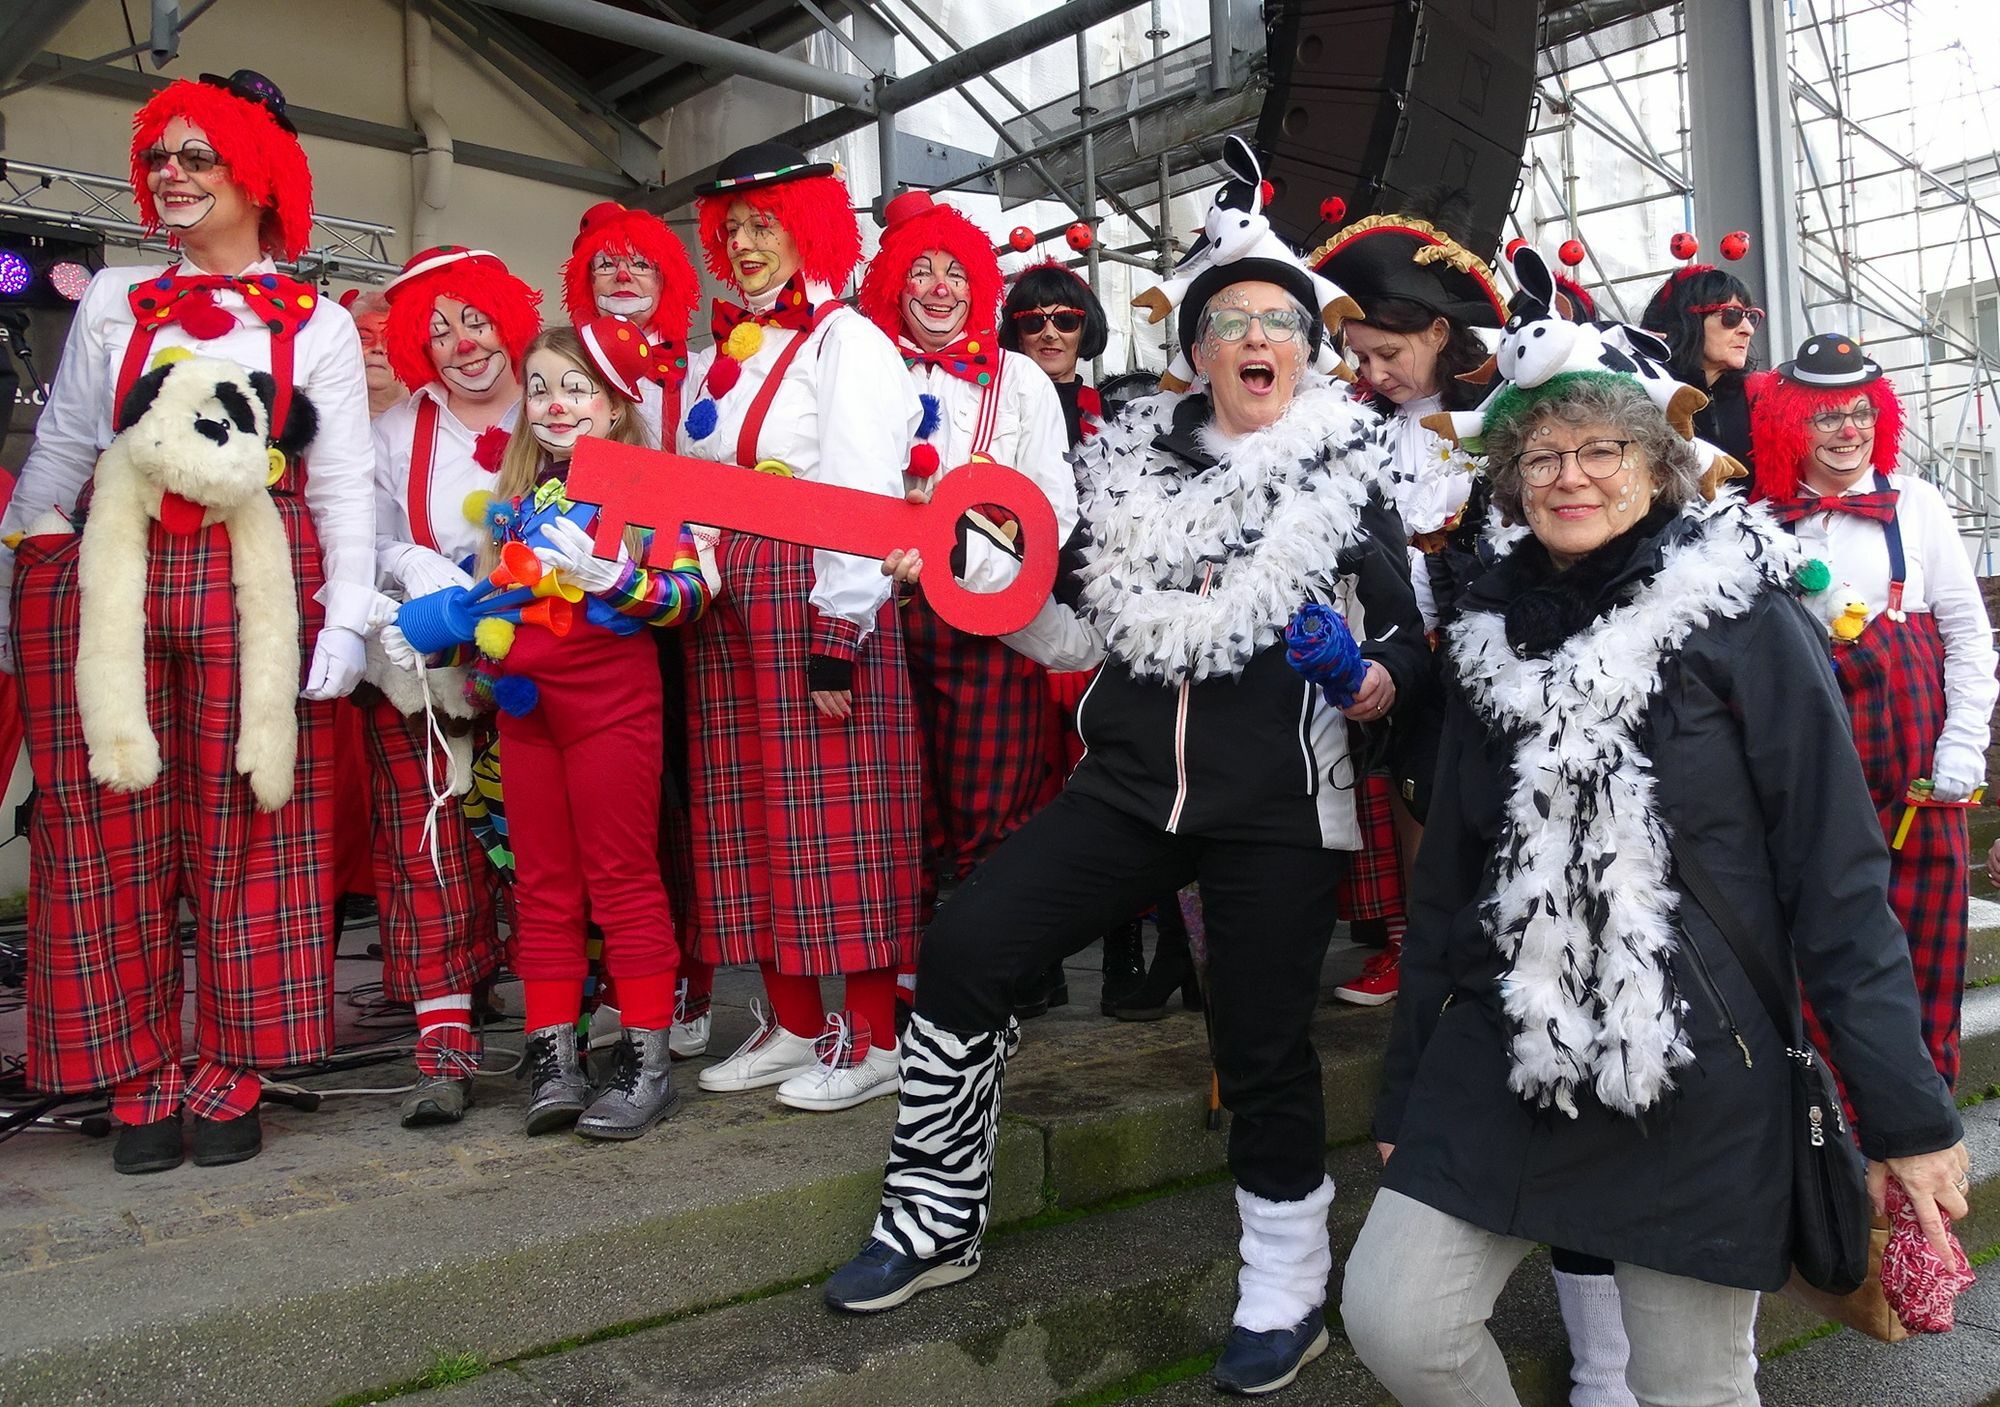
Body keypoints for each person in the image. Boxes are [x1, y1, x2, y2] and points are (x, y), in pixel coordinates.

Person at [825, 234, 1429, 1401]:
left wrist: (1366, 678)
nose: (1256, 337)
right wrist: (964, 578)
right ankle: (934, 1212)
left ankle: (1284, 1285)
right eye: (1229, 322)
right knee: (966, 945)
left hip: (1279, 805)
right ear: (1196, 352)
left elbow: (1405, 638)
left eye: (1279, 323)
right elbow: (1066, 630)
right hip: (1129, 788)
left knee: (1259, 1041)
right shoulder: (1125, 471)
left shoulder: (1349, 471)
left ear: (1308, 352)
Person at [1339, 363, 1971, 1406]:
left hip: (1697, 1063)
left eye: (1603, 448)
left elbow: (1836, 878)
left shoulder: (1742, 611)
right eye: (1541, 456)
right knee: (1397, 1320)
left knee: (1690, 1385)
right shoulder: (1486, 637)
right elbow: (1447, 883)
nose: (1570, 475)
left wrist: (1906, 1118)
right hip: (1505, 1047)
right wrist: (1406, 1083)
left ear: (1657, 467)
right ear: (1510, 483)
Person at [1, 71, 379, 1172]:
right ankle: (136, 1072)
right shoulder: (116, 298)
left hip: (255, 570)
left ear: (257, 177)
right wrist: (28, 552)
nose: (170, 174)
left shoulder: (318, 322)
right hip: (113, 561)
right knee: (101, 823)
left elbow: (343, 481)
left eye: (196, 157)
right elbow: (66, 440)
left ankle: (231, 1067)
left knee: (254, 820)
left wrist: (347, 616)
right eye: (158, 157)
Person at [410, 319, 709, 1139]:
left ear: (614, 404)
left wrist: (613, 576)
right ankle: (554, 1056)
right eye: (540, 387)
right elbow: (495, 612)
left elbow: (688, 596)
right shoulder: (516, 499)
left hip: (614, 704)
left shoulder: (649, 485)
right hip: (527, 712)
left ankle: (647, 1064)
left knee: (623, 879)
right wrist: (440, 629)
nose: (556, 402)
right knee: (541, 886)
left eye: (576, 386)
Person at [676, 142, 925, 1112]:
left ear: (808, 228)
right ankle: (787, 1023)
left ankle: (873, 1037)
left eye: (764, 224)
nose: (745, 243)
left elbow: (861, 492)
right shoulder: (714, 358)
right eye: (733, 228)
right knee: (744, 811)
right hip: (724, 595)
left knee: (837, 817)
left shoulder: (845, 340)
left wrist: (839, 631)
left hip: (811, 587)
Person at [1748, 333, 1996, 1091]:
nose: (1847, 430)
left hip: (1916, 752)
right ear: (1792, 425)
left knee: (1926, 951)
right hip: (1815, 751)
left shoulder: (1916, 502)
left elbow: (1967, 632)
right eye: (1826, 416)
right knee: (1822, 941)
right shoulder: (1759, 520)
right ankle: (1840, 1131)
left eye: (1860, 412)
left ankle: (1927, 1137)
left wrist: (1964, 746)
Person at [857, 193, 1076, 1019]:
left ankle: (1005, 972)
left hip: (988, 614)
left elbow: (1053, 502)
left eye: (955, 271)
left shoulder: (1020, 379)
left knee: (997, 807)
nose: (940, 288)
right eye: (921, 271)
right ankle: (917, 977)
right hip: (884, 610)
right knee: (901, 806)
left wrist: (992, 553)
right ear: (894, 283)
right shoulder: (864, 371)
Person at [1310, 212, 1507, 1009]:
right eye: (1361, 357)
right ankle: (1421, 952)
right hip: (1400, 649)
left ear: (1438, 330)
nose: (1375, 371)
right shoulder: (1361, 431)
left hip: (1489, 646)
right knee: (1411, 799)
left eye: (1388, 353)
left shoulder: (1503, 413)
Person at [367, 246, 542, 1126]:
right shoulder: (397, 430)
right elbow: (361, 535)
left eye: (474, 320)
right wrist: (413, 560)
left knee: (547, 851)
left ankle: (560, 1036)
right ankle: (445, 1047)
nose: (463, 344)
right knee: (431, 852)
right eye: (438, 332)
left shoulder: (554, 400)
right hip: (430, 678)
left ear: (506, 318)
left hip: (543, 666)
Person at [559, 201, 712, 1058]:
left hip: (675, 604)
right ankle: (605, 986)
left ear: (668, 280)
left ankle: (685, 982)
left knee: (679, 806)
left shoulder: (701, 370)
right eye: (604, 264)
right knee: (599, 822)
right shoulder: (561, 368)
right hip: (581, 613)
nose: (621, 276)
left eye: (639, 263)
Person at [997, 258, 1161, 1016]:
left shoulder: (1122, 413)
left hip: (1105, 619)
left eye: (1064, 318)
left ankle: (1126, 950)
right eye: (1032, 320)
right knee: (1030, 799)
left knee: (1112, 789)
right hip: (1016, 621)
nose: (1049, 332)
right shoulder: (993, 411)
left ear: (1085, 327)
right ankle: (1039, 959)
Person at [1640, 260, 1761, 470]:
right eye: (1732, 315)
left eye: (1751, 317)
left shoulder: (1761, 398)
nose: (1747, 329)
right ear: (1685, 320)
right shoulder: (1642, 395)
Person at [341, 288, 405, 419]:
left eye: (391, 340)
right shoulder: (319, 410)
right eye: (364, 337)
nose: (378, 348)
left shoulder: (437, 415)